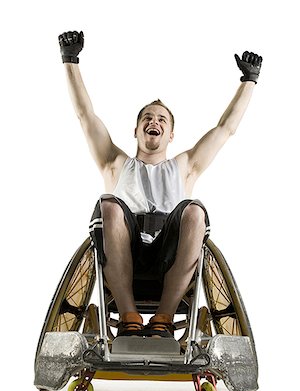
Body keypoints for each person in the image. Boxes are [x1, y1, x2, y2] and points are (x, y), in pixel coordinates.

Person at [58, 31, 262, 337]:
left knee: (195, 210)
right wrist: (70, 61)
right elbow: (85, 115)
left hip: (170, 256)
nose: (155, 121)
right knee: (108, 205)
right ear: (137, 130)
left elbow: (225, 128)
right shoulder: (115, 162)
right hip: (123, 253)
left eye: (162, 119)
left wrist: (249, 81)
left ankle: (163, 319)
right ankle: (130, 317)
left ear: (170, 135)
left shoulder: (185, 166)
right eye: (148, 118)